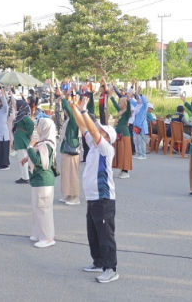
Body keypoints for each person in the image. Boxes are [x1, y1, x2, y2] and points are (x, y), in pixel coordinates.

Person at [70, 96, 119, 283]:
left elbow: (90, 127)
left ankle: (111, 268)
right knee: (93, 233)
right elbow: (83, 127)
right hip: (92, 197)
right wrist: (73, 106)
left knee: (106, 234)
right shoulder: (93, 145)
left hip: (104, 198)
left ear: (107, 137)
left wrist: (84, 111)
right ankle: (98, 262)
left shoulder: (106, 148)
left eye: (102, 132)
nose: (98, 132)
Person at [22, 118, 57, 248]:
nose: (37, 127)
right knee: (37, 207)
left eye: (39, 125)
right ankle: (38, 233)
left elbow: (38, 161)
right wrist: (28, 156)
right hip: (38, 180)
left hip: (43, 180)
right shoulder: (43, 142)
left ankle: (47, 237)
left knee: (43, 209)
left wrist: (30, 147)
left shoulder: (47, 144)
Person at [58, 89, 81, 205]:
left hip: (71, 149)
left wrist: (63, 98)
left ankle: (75, 197)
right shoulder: (70, 119)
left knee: (72, 174)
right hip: (66, 148)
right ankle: (68, 194)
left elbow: (69, 110)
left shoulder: (75, 118)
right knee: (66, 173)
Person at [110, 93, 132, 178]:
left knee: (125, 153)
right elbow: (115, 105)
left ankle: (125, 171)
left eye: (120, 103)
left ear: (124, 103)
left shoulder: (126, 112)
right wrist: (111, 96)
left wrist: (129, 101)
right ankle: (122, 169)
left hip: (124, 135)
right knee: (120, 153)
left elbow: (129, 108)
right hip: (119, 135)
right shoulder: (121, 111)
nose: (119, 104)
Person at [13, 100, 34, 184]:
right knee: (22, 158)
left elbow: (31, 125)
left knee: (23, 159)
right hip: (20, 139)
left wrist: (29, 134)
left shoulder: (23, 116)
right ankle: (25, 176)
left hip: (22, 140)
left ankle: (25, 177)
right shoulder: (20, 115)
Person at [132, 87, 149, 160]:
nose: (137, 100)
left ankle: (143, 154)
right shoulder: (136, 105)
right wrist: (132, 92)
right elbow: (130, 99)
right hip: (136, 126)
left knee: (141, 141)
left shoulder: (144, 107)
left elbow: (145, 102)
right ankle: (138, 153)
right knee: (136, 140)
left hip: (142, 126)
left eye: (139, 99)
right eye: (137, 99)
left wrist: (140, 94)